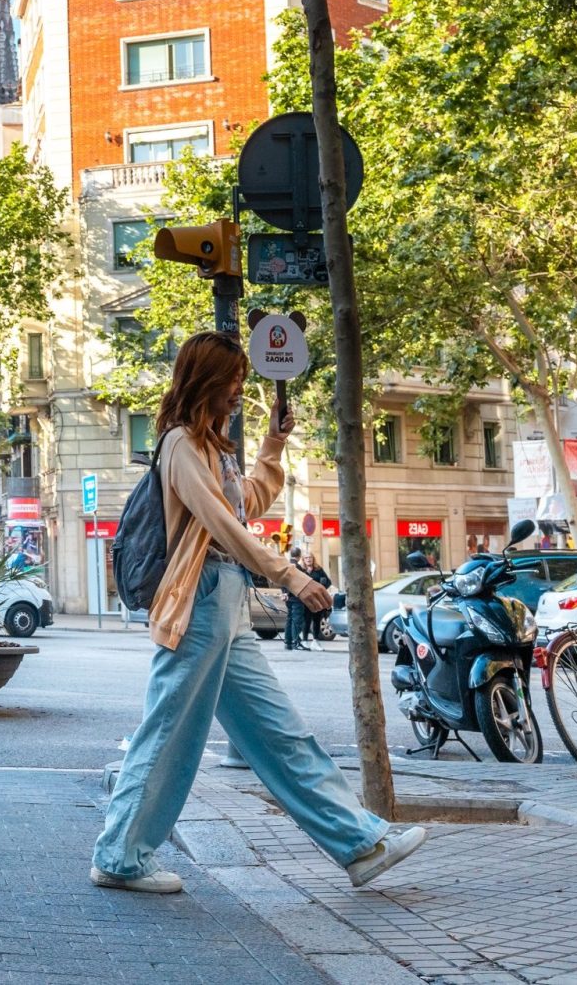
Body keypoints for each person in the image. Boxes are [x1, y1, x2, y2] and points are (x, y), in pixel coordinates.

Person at [93, 331, 425, 895]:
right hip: (198, 601)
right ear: (207, 381)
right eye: (233, 382)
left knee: (279, 732)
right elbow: (224, 525)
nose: (239, 392)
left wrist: (272, 444)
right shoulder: (177, 444)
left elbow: (245, 500)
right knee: (167, 734)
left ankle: (360, 844)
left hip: (224, 603)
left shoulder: (210, 446)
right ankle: (120, 856)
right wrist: (291, 576)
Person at [282, 547, 310, 652]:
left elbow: (282, 580)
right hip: (296, 597)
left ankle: (288, 642)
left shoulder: (286, 565)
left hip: (288, 597)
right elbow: (304, 580)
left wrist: (284, 592)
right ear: (299, 556)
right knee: (296, 620)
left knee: (289, 619)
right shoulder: (297, 567)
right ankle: (296, 642)